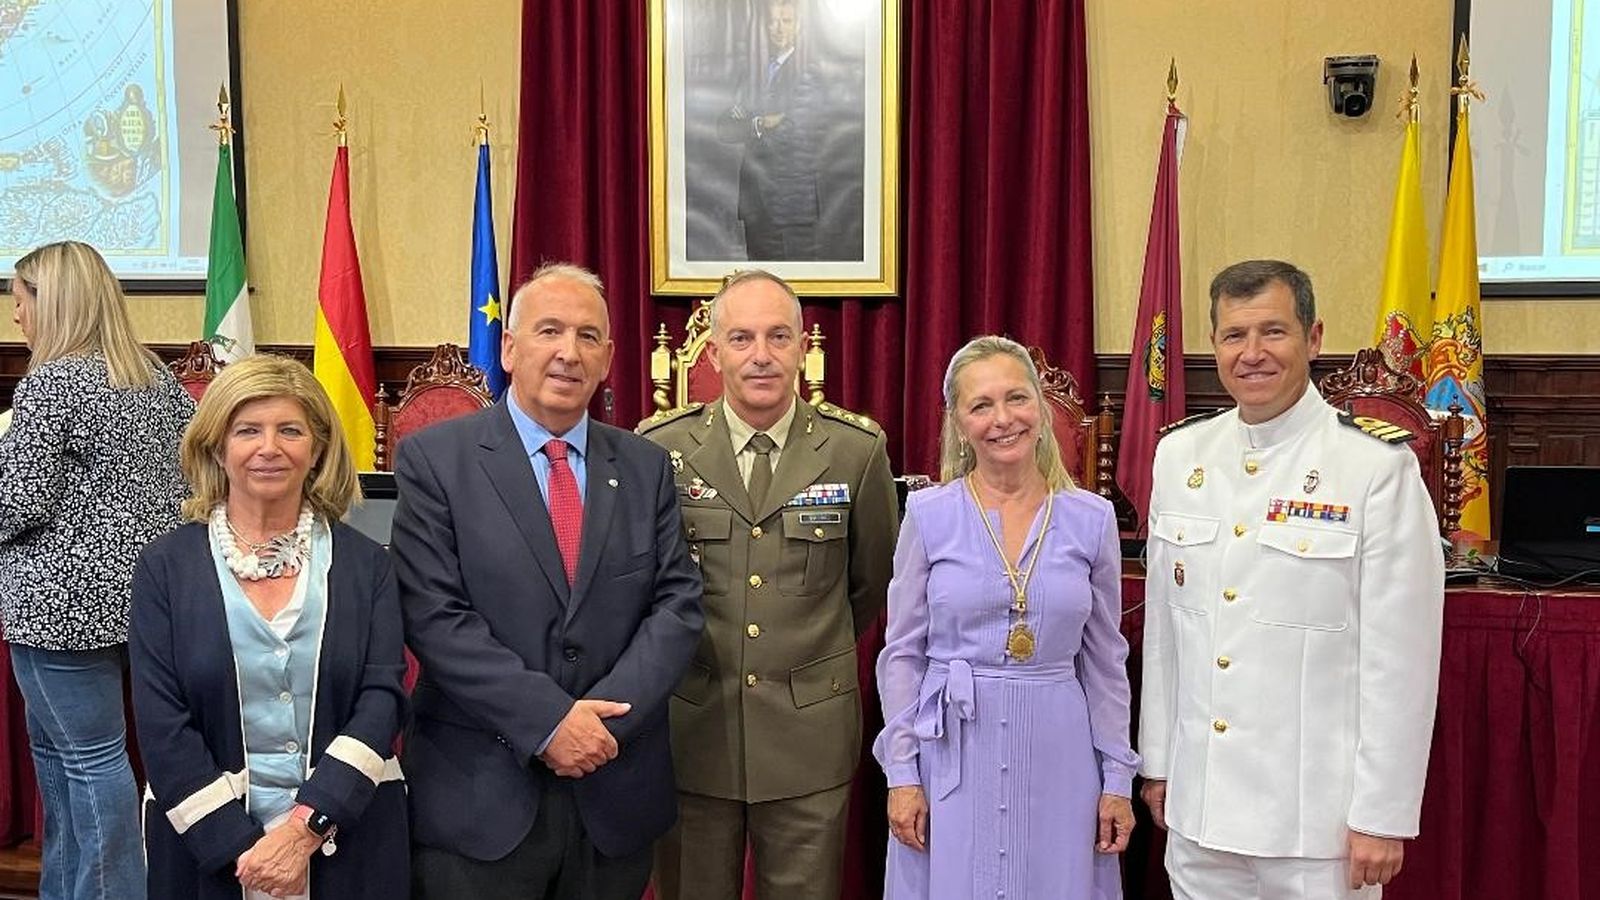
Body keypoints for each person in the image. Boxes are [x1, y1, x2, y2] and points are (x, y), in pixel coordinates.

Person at [394, 263, 704, 900]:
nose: (569, 352)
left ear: (610, 357)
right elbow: (434, 615)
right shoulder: (436, 461)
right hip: (481, 799)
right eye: (549, 331)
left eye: (589, 336)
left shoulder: (646, 466)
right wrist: (548, 722)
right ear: (509, 348)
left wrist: (598, 727)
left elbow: (677, 606)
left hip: (613, 794)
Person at [1139, 260, 1445, 899]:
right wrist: (1160, 764)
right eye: (1233, 335)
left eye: (1273, 332)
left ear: (1315, 338)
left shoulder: (1372, 467)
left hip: (1318, 826)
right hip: (1201, 811)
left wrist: (1382, 815)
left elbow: (1401, 661)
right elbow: (1169, 632)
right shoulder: (1180, 456)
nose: (1252, 353)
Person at [640, 269, 898, 900]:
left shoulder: (854, 451)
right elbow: (645, 586)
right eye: (742, 338)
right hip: (695, 728)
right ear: (716, 350)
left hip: (808, 732)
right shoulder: (659, 448)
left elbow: (870, 581)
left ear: (801, 348)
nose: (761, 355)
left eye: (778, 336)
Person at [130, 355, 409, 899]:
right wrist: (245, 852)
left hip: (349, 838)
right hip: (206, 851)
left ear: (318, 448)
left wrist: (305, 831)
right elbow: (163, 727)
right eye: (248, 430)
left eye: (290, 430)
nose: (269, 448)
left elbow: (381, 701)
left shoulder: (367, 564)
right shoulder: (165, 567)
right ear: (217, 445)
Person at [871, 335, 1138, 899]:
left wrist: (1116, 779)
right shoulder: (927, 514)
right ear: (959, 423)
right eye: (981, 405)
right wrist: (902, 774)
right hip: (951, 755)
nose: (1003, 419)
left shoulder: (1091, 519)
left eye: (1016, 399)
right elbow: (900, 655)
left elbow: (1106, 662)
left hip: (1061, 756)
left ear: (1040, 408)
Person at [0, 241, 194, 900]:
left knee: (88, 765)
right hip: (140, 603)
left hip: (59, 612)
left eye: (20, 300)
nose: (17, 317)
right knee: (67, 764)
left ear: (50, 302)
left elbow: (18, 501)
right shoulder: (153, 375)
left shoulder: (51, 382)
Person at [716, 0, 820, 261]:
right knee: (757, 288)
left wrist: (750, 123)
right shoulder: (751, 74)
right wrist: (760, 123)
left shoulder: (809, 73)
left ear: (797, 27)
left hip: (790, 205)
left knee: (792, 292)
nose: (778, 29)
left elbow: (797, 129)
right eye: (772, 21)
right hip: (755, 203)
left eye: (786, 21)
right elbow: (724, 128)